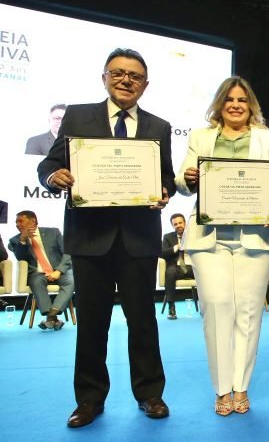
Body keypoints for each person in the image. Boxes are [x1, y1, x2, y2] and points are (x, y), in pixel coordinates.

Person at [37, 48, 175, 428]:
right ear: (104, 78)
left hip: (138, 239)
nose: (126, 80)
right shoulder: (78, 116)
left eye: (135, 76)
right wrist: (53, 177)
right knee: (92, 323)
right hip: (89, 238)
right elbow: (49, 164)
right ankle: (89, 399)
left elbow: (165, 175)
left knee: (143, 321)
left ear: (145, 84)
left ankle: (150, 394)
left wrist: (164, 190)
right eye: (118, 73)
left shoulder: (159, 126)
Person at [176, 76, 269, 416]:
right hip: (209, 238)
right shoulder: (200, 137)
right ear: (219, 104)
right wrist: (188, 178)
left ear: (251, 105)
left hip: (256, 237)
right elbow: (181, 181)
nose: (236, 105)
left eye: (242, 100)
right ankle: (222, 388)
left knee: (249, 312)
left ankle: (241, 386)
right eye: (229, 99)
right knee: (217, 307)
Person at [8, 210, 74, 330]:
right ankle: (52, 317)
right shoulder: (14, 241)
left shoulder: (53, 232)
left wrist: (59, 271)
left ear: (33, 221)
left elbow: (67, 252)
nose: (17, 224)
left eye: (20, 221)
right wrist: (23, 240)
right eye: (16, 222)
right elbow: (21, 258)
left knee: (71, 280)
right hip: (37, 273)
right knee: (36, 282)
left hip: (59, 271)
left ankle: (51, 315)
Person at [160, 213, 195, 320]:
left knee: (205, 272)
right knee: (170, 272)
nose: (178, 225)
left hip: (192, 267)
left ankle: (207, 305)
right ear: (172, 226)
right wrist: (176, 247)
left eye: (180, 223)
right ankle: (171, 308)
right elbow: (161, 253)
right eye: (175, 224)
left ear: (185, 223)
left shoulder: (193, 235)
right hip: (177, 268)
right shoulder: (168, 237)